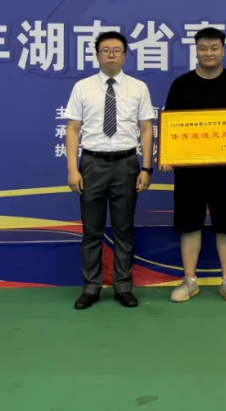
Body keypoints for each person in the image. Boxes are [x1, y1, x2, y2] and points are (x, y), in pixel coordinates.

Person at [159, 27, 226, 303]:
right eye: (203, 48)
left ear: (223, 50)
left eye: (214, 48)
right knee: (189, 224)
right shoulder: (181, 85)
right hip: (189, 171)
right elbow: (172, 126)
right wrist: (168, 155)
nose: (209, 53)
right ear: (196, 51)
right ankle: (189, 280)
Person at [64, 31, 155, 310]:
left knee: (123, 228)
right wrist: (72, 169)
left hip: (126, 164)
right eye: (106, 50)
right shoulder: (82, 87)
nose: (111, 55)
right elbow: (73, 129)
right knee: (91, 229)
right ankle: (91, 287)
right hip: (92, 164)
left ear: (125, 55)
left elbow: (146, 129)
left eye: (117, 50)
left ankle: (123, 286)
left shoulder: (138, 87)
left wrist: (146, 168)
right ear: (97, 55)